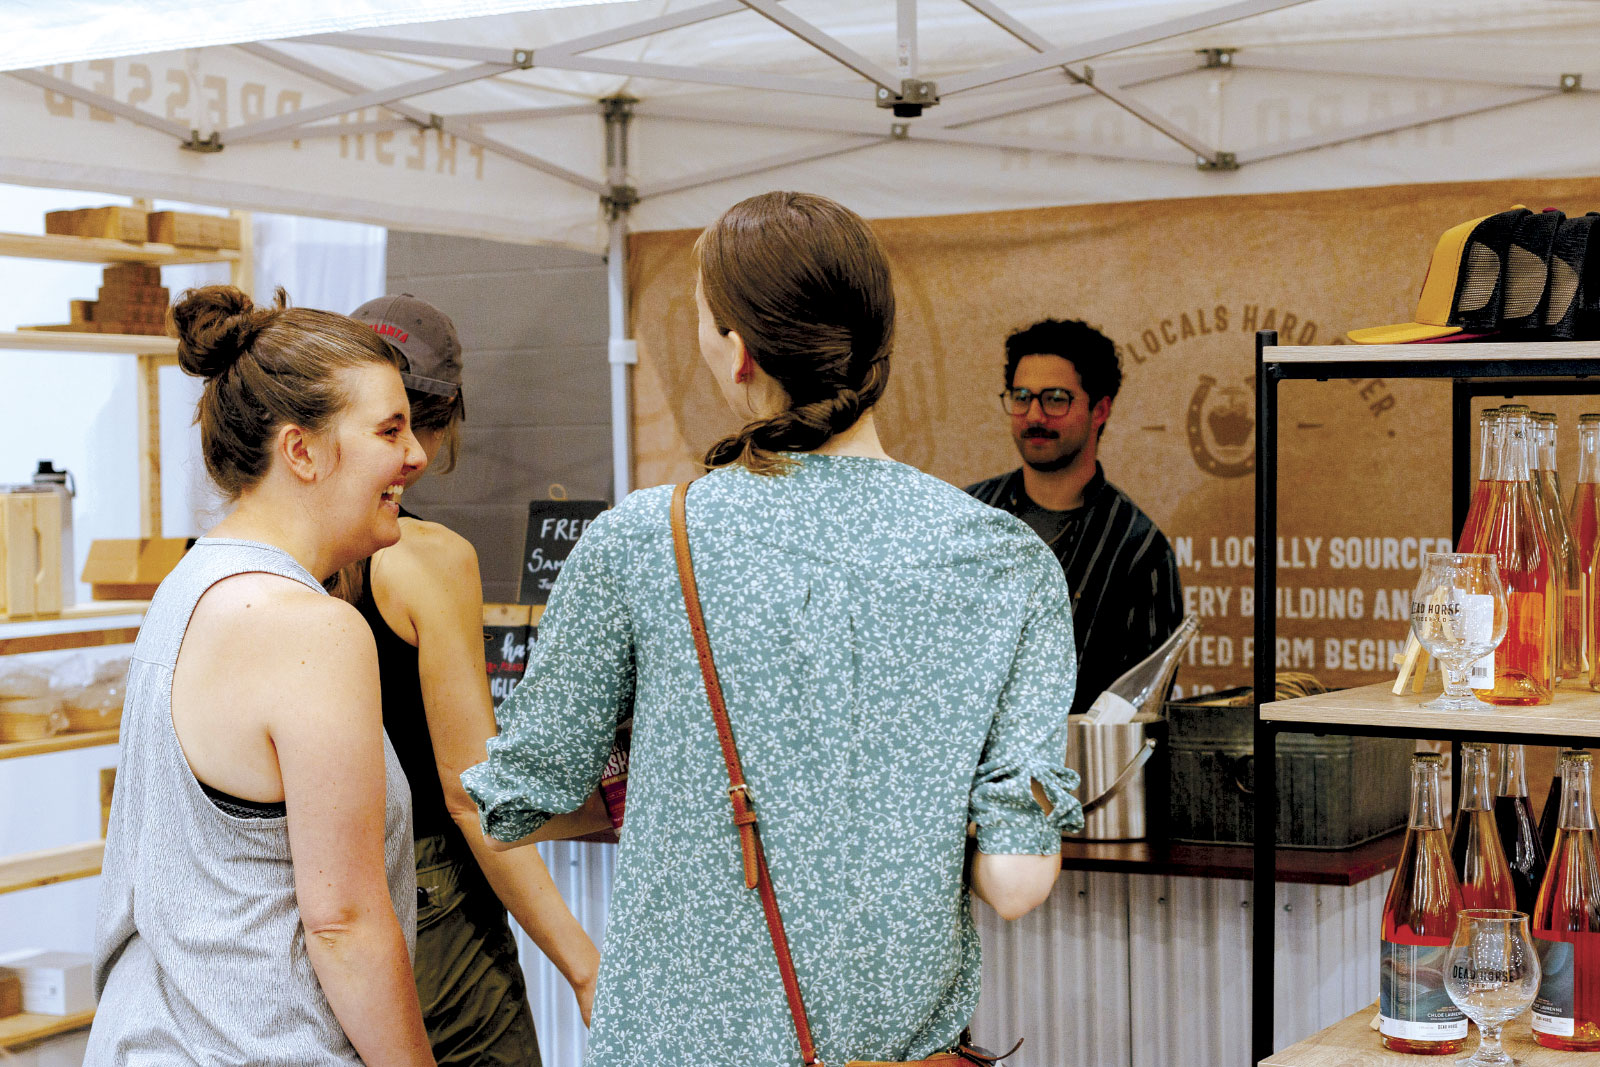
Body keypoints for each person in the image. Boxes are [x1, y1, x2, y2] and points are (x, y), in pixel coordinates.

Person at [463, 191, 1082, 1067]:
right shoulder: (1005, 559)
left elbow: (516, 802)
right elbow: (1017, 881)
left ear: (738, 350)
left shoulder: (646, 541)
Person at [88, 286, 435, 1066]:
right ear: (301, 451)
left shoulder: (193, 583)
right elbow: (343, 921)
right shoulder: (308, 626)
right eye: (389, 429)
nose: (414, 455)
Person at [336, 293, 600, 1064]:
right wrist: (583, 964)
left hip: (288, 909)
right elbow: (468, 793)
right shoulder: (427, 560)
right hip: (424, 898)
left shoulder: (228, 565)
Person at [965, 319, 1184, 716]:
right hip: (962, 766)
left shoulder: (1138, 549)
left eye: (1055, 399)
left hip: (1080, 771)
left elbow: (1143, 709)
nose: (1034, 415)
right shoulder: (969, 515)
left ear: (1100, 409)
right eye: (1021, 396)